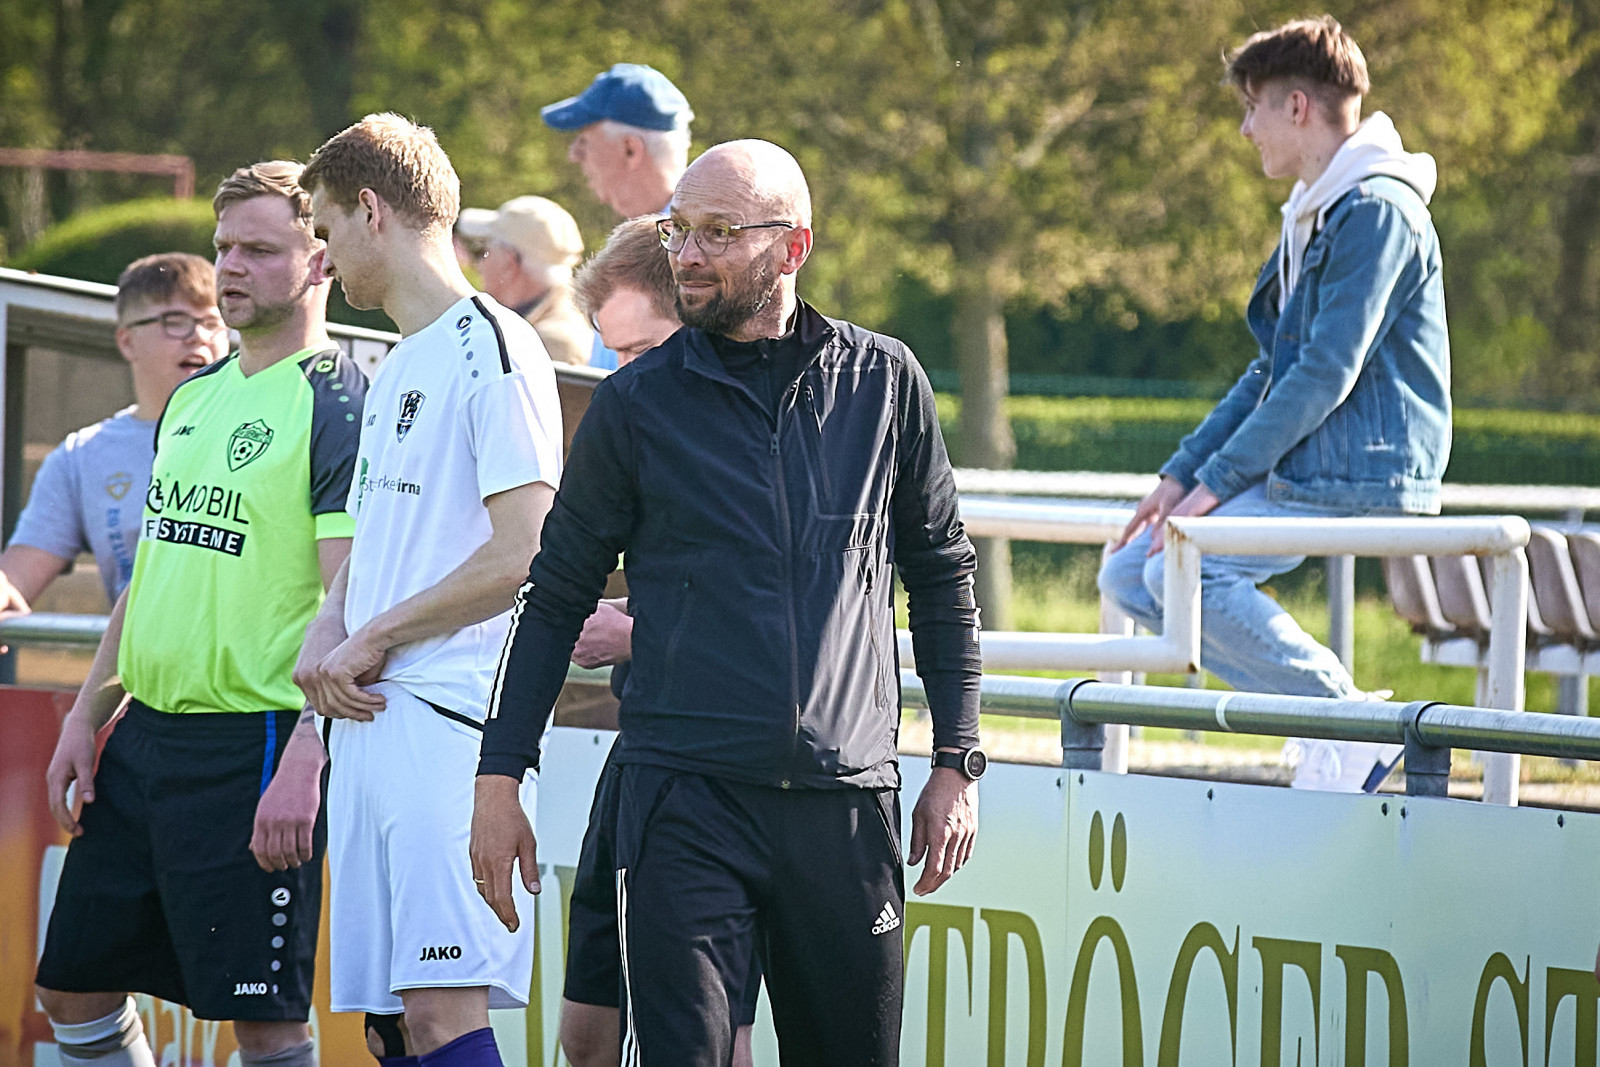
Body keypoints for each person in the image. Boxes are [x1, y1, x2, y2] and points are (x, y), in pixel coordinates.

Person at [471, 139, 984, 1066]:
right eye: (680, 229)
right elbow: (553, 599)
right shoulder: (635, 404)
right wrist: (498, 775)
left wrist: (959, 761)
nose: (689, 254)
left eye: (718, 232)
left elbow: (943, 574)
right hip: (684, 800)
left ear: (792, 248)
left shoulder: (886, 381)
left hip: (847, 802)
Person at [35, 160, 366, 1067]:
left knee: (263, 1022)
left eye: (260, 248)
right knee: (70, 986)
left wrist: (309, 748)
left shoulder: (337, 397)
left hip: (254, 743)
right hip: (144, 741)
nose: (232, 266)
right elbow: (154, 575)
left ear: (322, 260)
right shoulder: (192, 396)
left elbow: (351, 595)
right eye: (225, 247)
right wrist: (84, 714)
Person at [1096, 15, 1450, 790]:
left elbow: (1325, 372)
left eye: (1254, 105)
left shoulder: (1377, 211)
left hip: (1366, 474)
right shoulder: (1319, 211)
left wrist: (1217, 483)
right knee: (1128, 571)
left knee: (1195, 572)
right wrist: (1179, 475)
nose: (1245, 126)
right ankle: (1337, 729)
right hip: (1311, 465)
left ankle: (1347, 727)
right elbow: (1270, 372)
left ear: (1298, 108)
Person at [296, 113, 563, 1067]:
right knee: (394, 1028)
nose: (321, 260)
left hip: (452, 724)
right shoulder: (398, 361)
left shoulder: (496, 347)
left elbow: (526, 548)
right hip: (375, 721)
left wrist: (374, 639)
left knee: (446, 1014)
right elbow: (371, 552)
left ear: (371, 210)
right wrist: (328, 633)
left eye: (325, 232)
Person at [556, 215, 759, 1067]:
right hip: (637, 760)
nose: (624, 381)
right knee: (586, 1034)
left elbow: (782, 618)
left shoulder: (757, 436)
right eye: (614, 359)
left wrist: (634, 631)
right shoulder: (632, 431)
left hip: (727, 778)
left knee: (715, 1038)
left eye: (642, 352)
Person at [0, 253, 226, 617]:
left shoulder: (262, 433)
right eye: (175, 321)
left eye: (213, 322)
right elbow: (16, 578)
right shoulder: (82, 456)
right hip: (135, 672)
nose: (198, 336)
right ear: (126, 342)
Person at [543, 62, 694, 371]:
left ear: (630, 150)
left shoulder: (691, 256)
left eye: (584, 141)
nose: (574, 155)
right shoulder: (669, 243)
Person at [456, 196, 594, 366]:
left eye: (484, 251)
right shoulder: (543, 326)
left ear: (508, 263)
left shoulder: (553, 343)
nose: (479, 264)